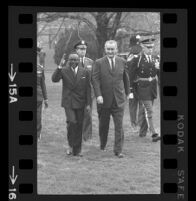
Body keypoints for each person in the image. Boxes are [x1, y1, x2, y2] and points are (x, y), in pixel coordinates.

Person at [92, 40, 132, 158]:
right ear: (105, 50)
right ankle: (103, 144)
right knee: (104, 125)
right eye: (108, 49)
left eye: (112, 49)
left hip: (119, 100)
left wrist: (128, 93)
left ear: (116, 50)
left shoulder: (122, 61)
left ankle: (118, 150)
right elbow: (95, 80)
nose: (110, 51)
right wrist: (98, 95)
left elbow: (126, 78)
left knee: (119, 126)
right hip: (103, 100)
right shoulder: (98, 63)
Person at [51, 53, 91, 157]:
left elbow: (88, 89)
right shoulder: (64, 70)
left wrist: (88, 104)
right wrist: (59, 66)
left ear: (79, 60)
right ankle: (71, 146)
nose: (73, 62)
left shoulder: (85, 72)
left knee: (79, 125)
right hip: (68, 102)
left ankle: (77, 150)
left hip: (80, 102)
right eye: (71, 60)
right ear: (68, 61)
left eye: (75, 60)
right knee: (72, 122)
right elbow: (54, 79)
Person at [129, 38, 160, 142]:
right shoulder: (137, 58)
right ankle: (154, 133)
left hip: (152, 87)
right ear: (142, 47)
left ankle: (142, 132)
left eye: (152, 47)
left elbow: (158, 74)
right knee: (149, 110)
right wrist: (130, 89)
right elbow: (131, 74)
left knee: (145, 111)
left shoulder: (156, 57)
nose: (150, 49)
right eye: (148, 47)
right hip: (142, 87)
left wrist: (159, 68)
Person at [74, 40, 94, 141]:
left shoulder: (90, 62)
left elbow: (93, 78)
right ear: (76, 50)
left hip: (89, 94)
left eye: (85, 49)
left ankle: (87, 136)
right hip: (76, 94)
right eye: (81, 49)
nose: (83, 51)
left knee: (88, 115)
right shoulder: (72, 61)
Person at [127, 42, 143, 132]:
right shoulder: (131, 58)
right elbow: (128, 74)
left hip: (138, 85)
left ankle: (138, 124)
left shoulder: (131, 57)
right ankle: (135, 124)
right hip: (132, 86)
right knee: (134, 105)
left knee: (139, 104)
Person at [37, 47, 48, 141]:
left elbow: (43, 83)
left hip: (38, 97)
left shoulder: (40, 68)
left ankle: (37, 134)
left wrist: (46, 98)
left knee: (38, 117)